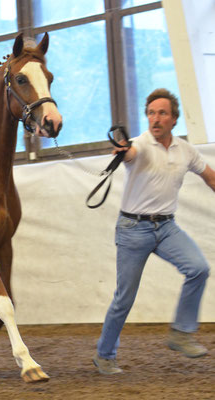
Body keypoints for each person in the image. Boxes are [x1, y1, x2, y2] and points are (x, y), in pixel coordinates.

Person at [93, 88, 215, 375]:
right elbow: (129, 153)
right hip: (133, 229)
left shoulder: (185, 149)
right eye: (150, 113)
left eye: (162, 113)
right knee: (125, 298)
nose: (155, 119)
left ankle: (181, 334)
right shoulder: (139, 144)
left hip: (166, 227)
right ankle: (104, 355)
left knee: (198, 268)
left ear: (174, 119)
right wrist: (122, 150)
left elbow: (209, 176)